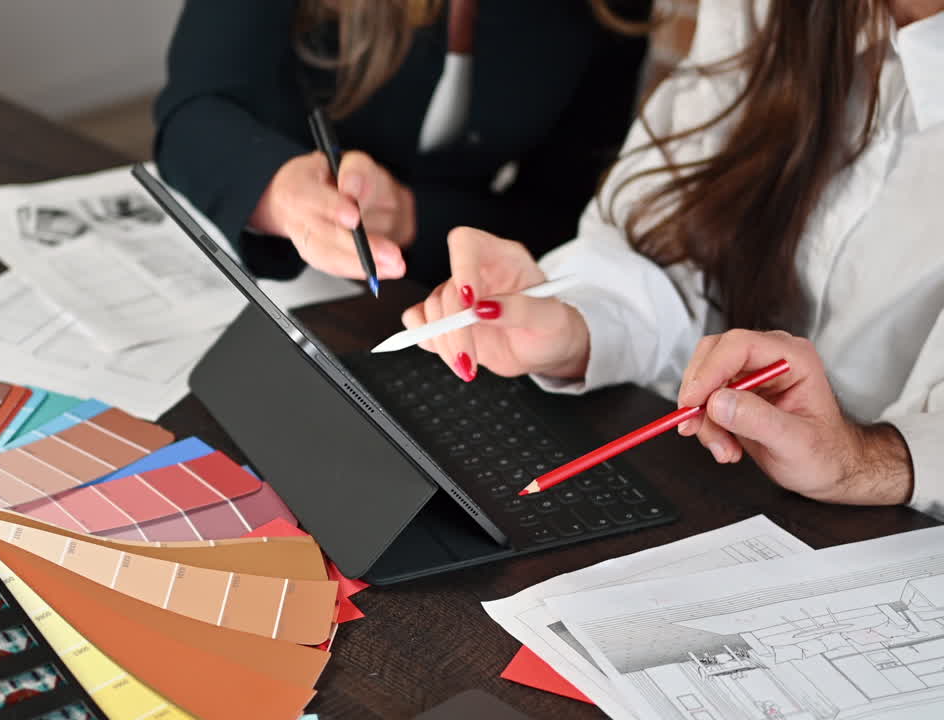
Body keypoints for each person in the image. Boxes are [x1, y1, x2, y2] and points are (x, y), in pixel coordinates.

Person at [402, 0, 944, 517]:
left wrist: (866, 462)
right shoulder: (769, 14)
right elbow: (672, 245)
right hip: (727, 490)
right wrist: (575, 322)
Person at [153, 0, 651, 287]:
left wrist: (415, 217)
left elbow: (566, 214)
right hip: (253, 270)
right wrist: (279, 192)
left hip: (433, 298)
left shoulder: (606, 10)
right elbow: (192, 112)